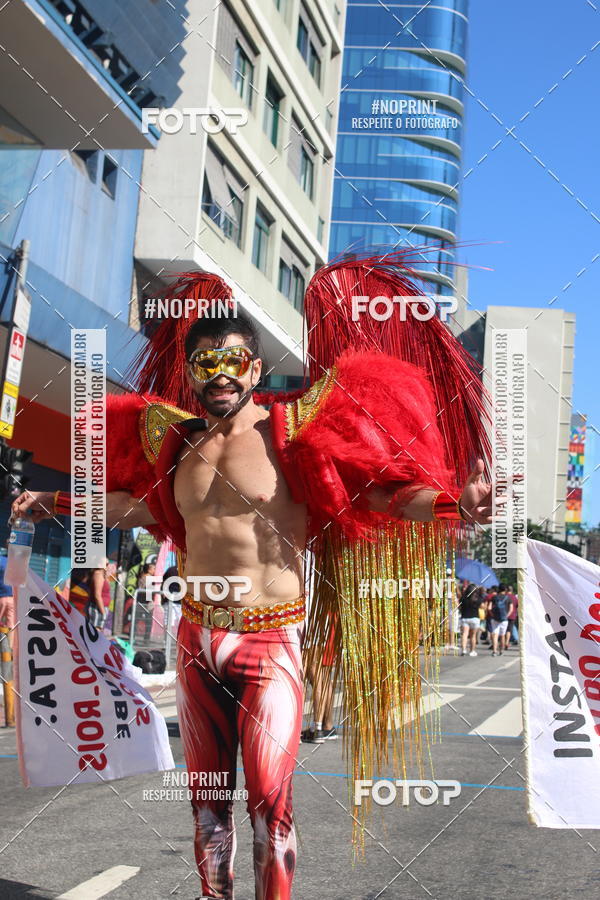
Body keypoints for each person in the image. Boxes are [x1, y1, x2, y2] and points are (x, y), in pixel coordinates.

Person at [13, 256, 496, 899]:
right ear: (189, 372)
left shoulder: (295, 431)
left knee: (270, 805)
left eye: (234, 360)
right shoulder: (173, 443)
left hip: (270, 644)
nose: (220, 374)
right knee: (207, 808)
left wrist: (450, 505)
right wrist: (60, 502)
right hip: (196, 640)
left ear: (256, 368)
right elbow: (144, 510)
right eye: (206, 362)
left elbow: (372, 497)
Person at [487, 582, 514, 657]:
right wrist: (506, 616)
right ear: (505, 589)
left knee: (495, 635)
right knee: (502, 635)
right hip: (504, 620)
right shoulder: (508, 598)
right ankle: (501, 651)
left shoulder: (494, 597)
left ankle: (494, 651)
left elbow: (489, 608)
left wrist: (492, 615)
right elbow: (511, 609)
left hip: (495, 619)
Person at [458, 582, 483, 657]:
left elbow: (459, 607)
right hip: (475, 618)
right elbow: (482, 607)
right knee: (473, 636)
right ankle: (472, 651)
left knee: (464, 634)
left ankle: (464, 650)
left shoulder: (463, 598)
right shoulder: (477, 599)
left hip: (465, 618)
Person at [504, 584, 519, 649]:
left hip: (503, 615)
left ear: (506, 590)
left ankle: (503, 643)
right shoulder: (514, 597)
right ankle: (506, 643)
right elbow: (517, 606)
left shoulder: (504, 596)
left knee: (503, 630)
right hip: (512, 616)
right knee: (509, 630)